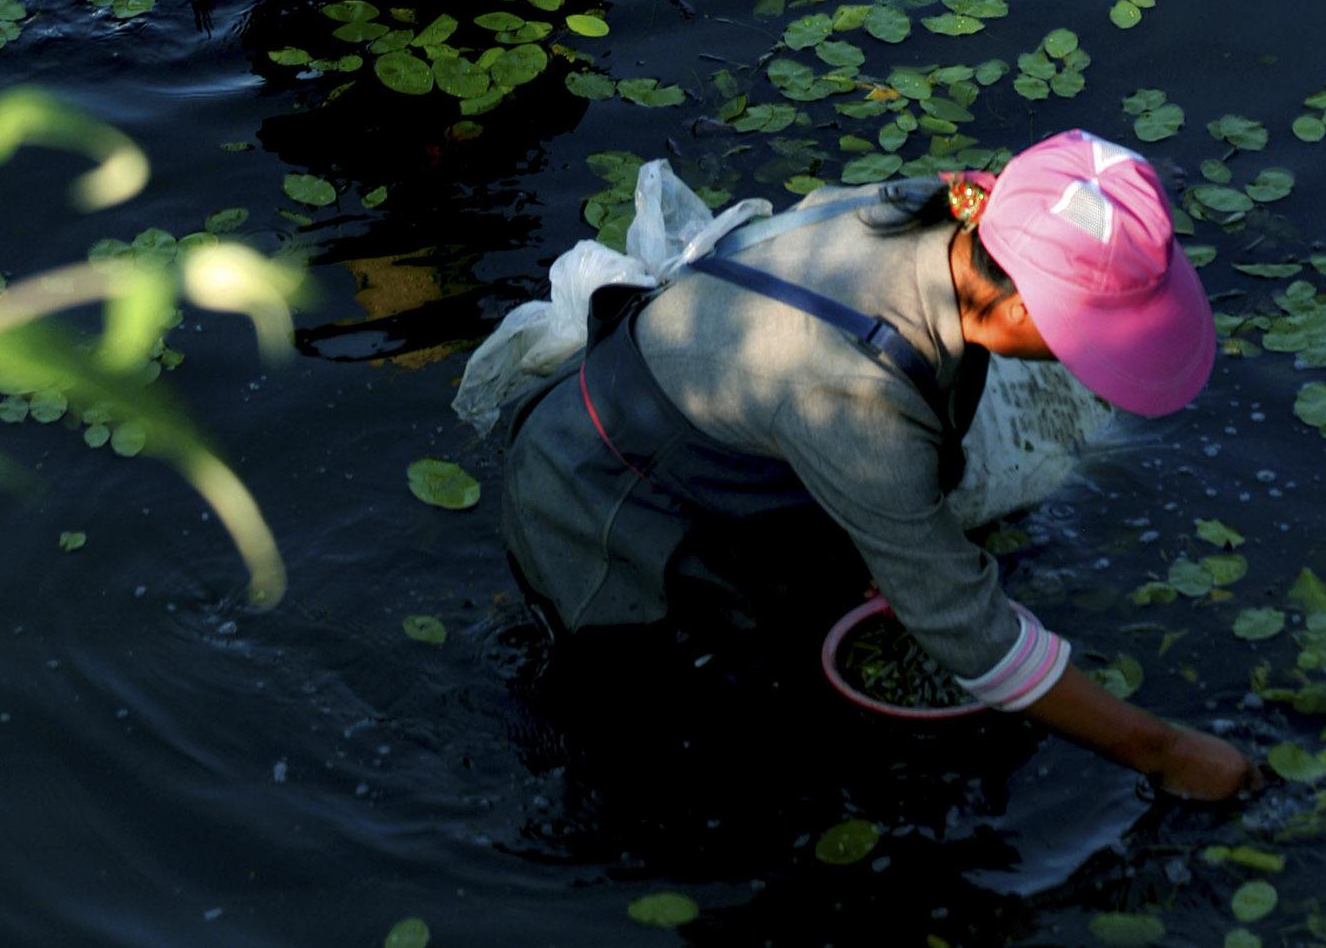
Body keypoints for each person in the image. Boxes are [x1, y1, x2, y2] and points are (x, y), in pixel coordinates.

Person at [495, 133, 1260, 801]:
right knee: (650, 726)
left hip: (714, 410)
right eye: (1082, 340)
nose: (1081, 364)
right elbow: (972, 637)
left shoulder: (946, 208)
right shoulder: (859, 399)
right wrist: (1168, 753)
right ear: (1018, 315)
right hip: (596, 502)